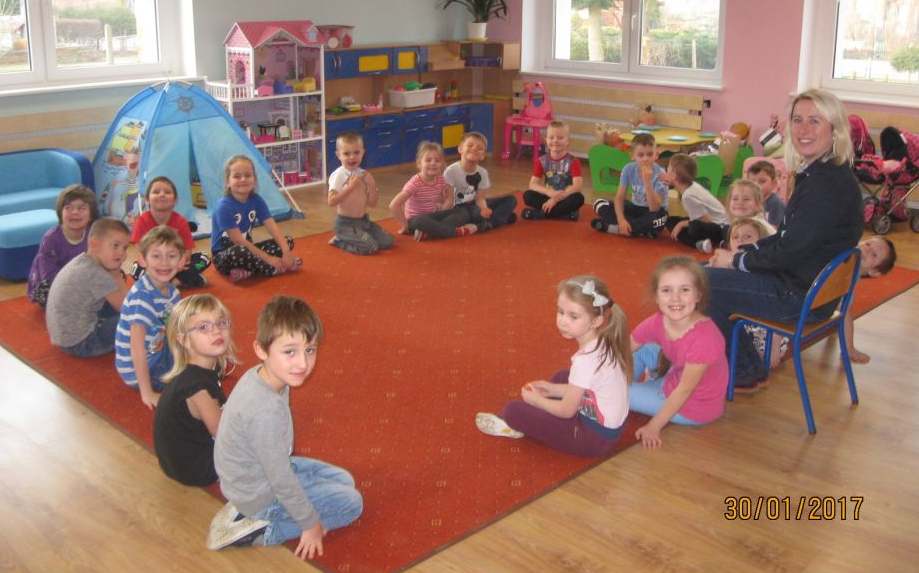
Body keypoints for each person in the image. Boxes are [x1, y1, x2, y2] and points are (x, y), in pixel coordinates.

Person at [706, 89, 863, 391]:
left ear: (835, 129)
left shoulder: (824, 186)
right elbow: (790, 238)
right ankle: (740, 365)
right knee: (702, 274)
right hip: (810, 289)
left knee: (698, 282)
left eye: (815, 121)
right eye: (797, 120)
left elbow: (789, 250)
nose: (803, 129)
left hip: (798, 296)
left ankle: (742, 370)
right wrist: (747, 251)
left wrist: (738, 260)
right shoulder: (828, 174)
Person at [210, 296, 363, 558]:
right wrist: (311, 525)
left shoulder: (266, 375)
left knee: (344, 480)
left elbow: (276, 463)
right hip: (260, 492)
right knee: (351, 503)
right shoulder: (263, 410)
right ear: (261, 350)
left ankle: (243, 508)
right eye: (290, 351)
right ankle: (263, 529)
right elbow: (280, 479)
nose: (302, 363)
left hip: (252, 474)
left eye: (310, 350)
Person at [475, 275, 631, 457]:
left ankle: (512, 424)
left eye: (573, 316)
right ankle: (544, 410)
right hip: (608, 430)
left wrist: (537, 401)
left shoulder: (586, 360)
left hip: (592, 439)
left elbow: (567, 411)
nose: (563, 321)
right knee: (561, 377)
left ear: (596, 321)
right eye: (560, 312)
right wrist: (552, 389)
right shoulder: (603, 341)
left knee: (513, 410)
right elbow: (589, 390)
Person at [630, 256, 728, 448]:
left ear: (698, 295)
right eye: (667, 290)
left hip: (693, 406)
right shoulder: (658, 320)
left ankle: (621, 392)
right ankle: (624, 386)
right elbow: (625, 348)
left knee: (617, 393)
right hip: (673, 376)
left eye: (684, 290)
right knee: (642, 351)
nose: (675, 298)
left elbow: (684, 390)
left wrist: (653, 426)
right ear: (656, 296)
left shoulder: (705, 339)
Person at [154, 294, 236, 486]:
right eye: (203, 327)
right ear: (183, 340)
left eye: (221, 323)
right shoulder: (198, 388)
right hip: (196, 468)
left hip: (178, 461)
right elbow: (224, 435)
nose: (216, 331)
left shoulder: (197, 372)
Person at [115, 226, 184, 409]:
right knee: (189, 381)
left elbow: (177, 329)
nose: (164, 263)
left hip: (158, 350)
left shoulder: (173, 292)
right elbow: (136, 347)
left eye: (171, 256)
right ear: (143, 260)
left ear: (180, 261)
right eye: (156, 256)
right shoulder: (143, 297)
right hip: (141, 368)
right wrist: (147, 392)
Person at [46, 218, 131, 357]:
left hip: (64, 337)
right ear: (94, 244)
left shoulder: (83, 261)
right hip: (83, 343)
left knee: (115, 305)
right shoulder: (96, 274)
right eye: (115, 246)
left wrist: (115, 272)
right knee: (139, 321)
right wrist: (116, 275)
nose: (122, 253)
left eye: (125, 248)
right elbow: (128, 309)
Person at [410, 131, 518, 239]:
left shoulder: (483, 173)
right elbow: (448, 199)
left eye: (479, 148)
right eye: (470, 145)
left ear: (483, 156)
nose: (474, 149)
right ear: (460, 149)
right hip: (458, 209)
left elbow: (480, 198)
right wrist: (442, 213)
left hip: (475, 207)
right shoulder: (451, 171)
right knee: (454, 218)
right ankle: (496, 220)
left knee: (511, 200)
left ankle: (485, 225)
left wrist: (484, 208)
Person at [211, 155, 301, 283]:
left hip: (249, 249)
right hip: (226, 256)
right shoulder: (223, 207)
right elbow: (238, 241)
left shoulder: (256, 200)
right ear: (227, 182)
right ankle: (272, 267)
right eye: (237, 176)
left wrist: (286, 252)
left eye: (248, 175)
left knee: (287, 241)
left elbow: (272, 227)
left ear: (254, 179)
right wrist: (268, 258)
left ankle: (248, 270)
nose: (243, 179)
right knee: (241, 251)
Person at [130, 176, 211, 288]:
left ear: (175, 200)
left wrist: (179, 263)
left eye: (167, 192)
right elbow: (140, 249)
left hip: (176, 264)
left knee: (204, 258)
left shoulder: (181, 222)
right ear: (147, 199)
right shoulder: (142, 221)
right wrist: (154, 264)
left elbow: (187, 249)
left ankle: (173, 282)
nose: (162, 195)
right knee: (135, 269)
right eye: (156, 192)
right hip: (153, 265)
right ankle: (186, 280)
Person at [28, 184, 99, 307]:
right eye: (68, 208)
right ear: (60, 214)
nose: (75, 212)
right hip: (54, 281)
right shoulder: (51, 239)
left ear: (91, 215)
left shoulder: (94, 234)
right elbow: (48, 274)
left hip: (82, 278)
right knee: (48, 292)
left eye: (81, 208)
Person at [327, 132, 394, 255]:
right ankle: (339, 240)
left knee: (387, 241)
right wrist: (350, 188)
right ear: (338, 155)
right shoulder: (339, 175)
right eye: (346, 153)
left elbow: (372, 204)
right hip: (345, 224)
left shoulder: (363, 174)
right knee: (371, 247)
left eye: (356, 152)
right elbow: (331, 201)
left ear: (363, 153)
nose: (352, 157)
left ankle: (360, 235)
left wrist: (372, 185)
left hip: (363, 222)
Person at [591, 132, 668, 237]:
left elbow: (654, 208)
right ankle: (637, 230)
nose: (645, 159)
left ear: (656, 155)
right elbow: (619, 197)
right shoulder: (628, 169)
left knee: (658, 220)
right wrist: (621, 219)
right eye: (640, 155)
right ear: (633, 156)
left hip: (653, 212)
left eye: (650, 154)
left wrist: (647, 182)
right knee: (599, 203)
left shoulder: (661, 174)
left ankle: (613, 228)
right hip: (635, 208)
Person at [662, 153, 729, 251]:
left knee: (693, 227)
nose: (666, 171)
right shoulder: (691, 185)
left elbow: (706, 220)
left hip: (719, 228)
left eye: (668, 168)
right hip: (714, 223)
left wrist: (681, 224)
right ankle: (706, 240)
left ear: (674, 175)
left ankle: (699, 244)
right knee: (671, 220)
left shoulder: (688, 196)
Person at [846, 236, 897, 364]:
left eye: (874, 255)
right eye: (868, 244)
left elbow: (845, 313)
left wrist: (850, 349)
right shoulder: (844, 252)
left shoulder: (850, 277)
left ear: (874, 272)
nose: (867, 250)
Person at [521, 120, 585, 221]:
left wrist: (555, 199)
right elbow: (532, 184)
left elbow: (577, 186)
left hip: (565, 197)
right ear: (546, 140)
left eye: (560, 138)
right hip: (549, 196)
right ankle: (564, 215)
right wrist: (548, 192)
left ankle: (541, 214)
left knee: (578, 198)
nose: (555, 141)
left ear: (568, 141)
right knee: (528, 195)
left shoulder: (573, 161)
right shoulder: (541, 161)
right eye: (551, 137)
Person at [389, 141, 453, 240]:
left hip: (432, 216)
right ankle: (453, 231)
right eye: (428, 160)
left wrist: (444, 208)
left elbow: (448, 198)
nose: (433, 163)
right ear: (419, 164)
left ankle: (429, 233)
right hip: (416, 220)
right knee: (421, 221)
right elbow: (394, 205)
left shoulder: (441, 179)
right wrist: (404, 225)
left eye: (437, 160)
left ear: (442, 164)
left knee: (458, 213)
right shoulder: (415, 183)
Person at [746, 160, 786, 227]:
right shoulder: (749, 201)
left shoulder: (775, 203)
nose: (756, 185)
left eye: (762, 181)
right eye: (752, 182)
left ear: (774, 183)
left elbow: (775, 229)